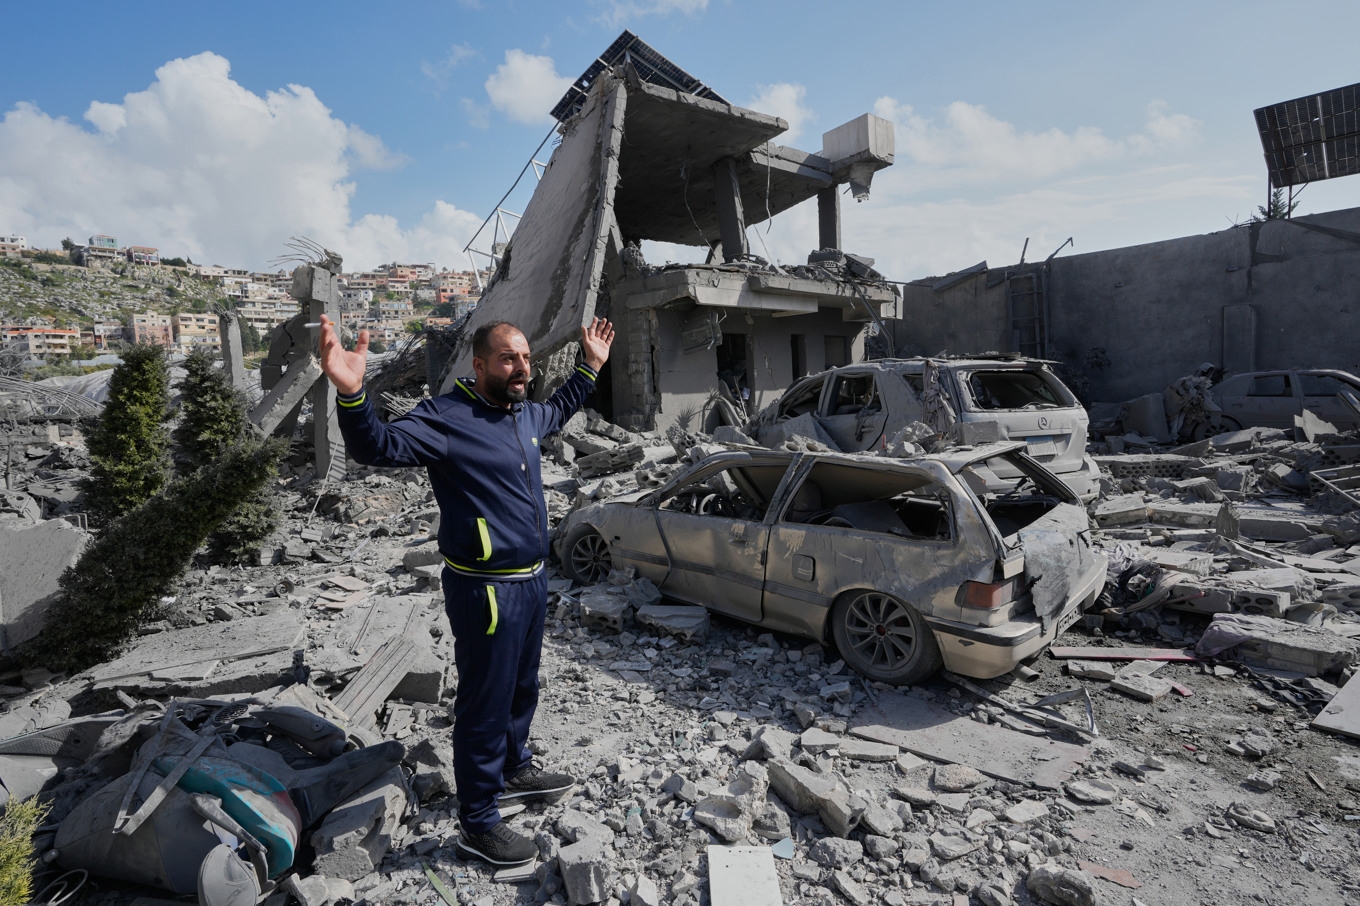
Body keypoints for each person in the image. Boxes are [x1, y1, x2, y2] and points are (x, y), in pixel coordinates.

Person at [317, 314, 615, 866]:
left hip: (531, 582)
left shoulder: (521, 411)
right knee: (485, 701)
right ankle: (477, 822)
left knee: (523, 684)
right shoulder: (445, 417)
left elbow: (560, 409)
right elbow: (375, 447)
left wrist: (590, 366)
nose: (522, 367)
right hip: (486, 591)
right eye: (509, 359)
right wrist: (353, 395)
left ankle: (514, 768)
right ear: (479, 365)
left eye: (525, 358)